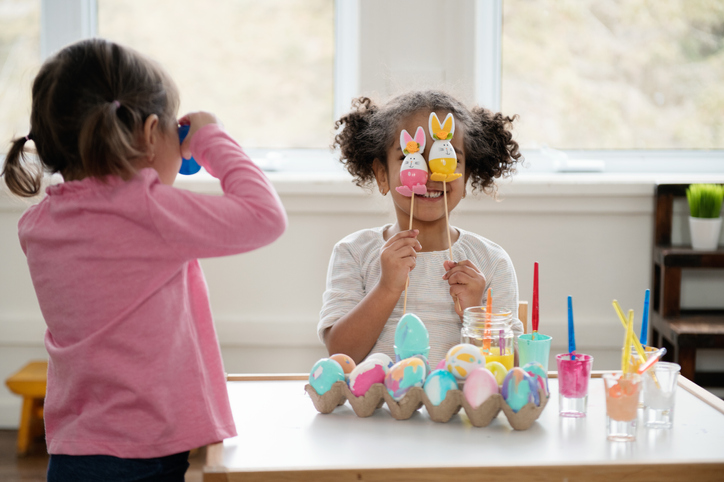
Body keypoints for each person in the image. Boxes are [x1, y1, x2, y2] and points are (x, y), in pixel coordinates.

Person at [1, 38, 286, 481]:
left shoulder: (39, 224)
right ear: (151, 133)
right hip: (141, 453)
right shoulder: (147, 212)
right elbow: (265, 216)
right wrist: (211, 138)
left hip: (74, 448)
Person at [318, 91, 522, 368]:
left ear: (467, 175)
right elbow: (340, 353)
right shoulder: (354, 252)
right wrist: (387, 287)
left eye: (446, 157)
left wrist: (476, 314)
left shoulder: (492, 261)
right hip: (380, 409)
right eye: (410, 158)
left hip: (458, 407)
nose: (428, 174)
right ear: (382, 175)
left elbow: (512, 368)